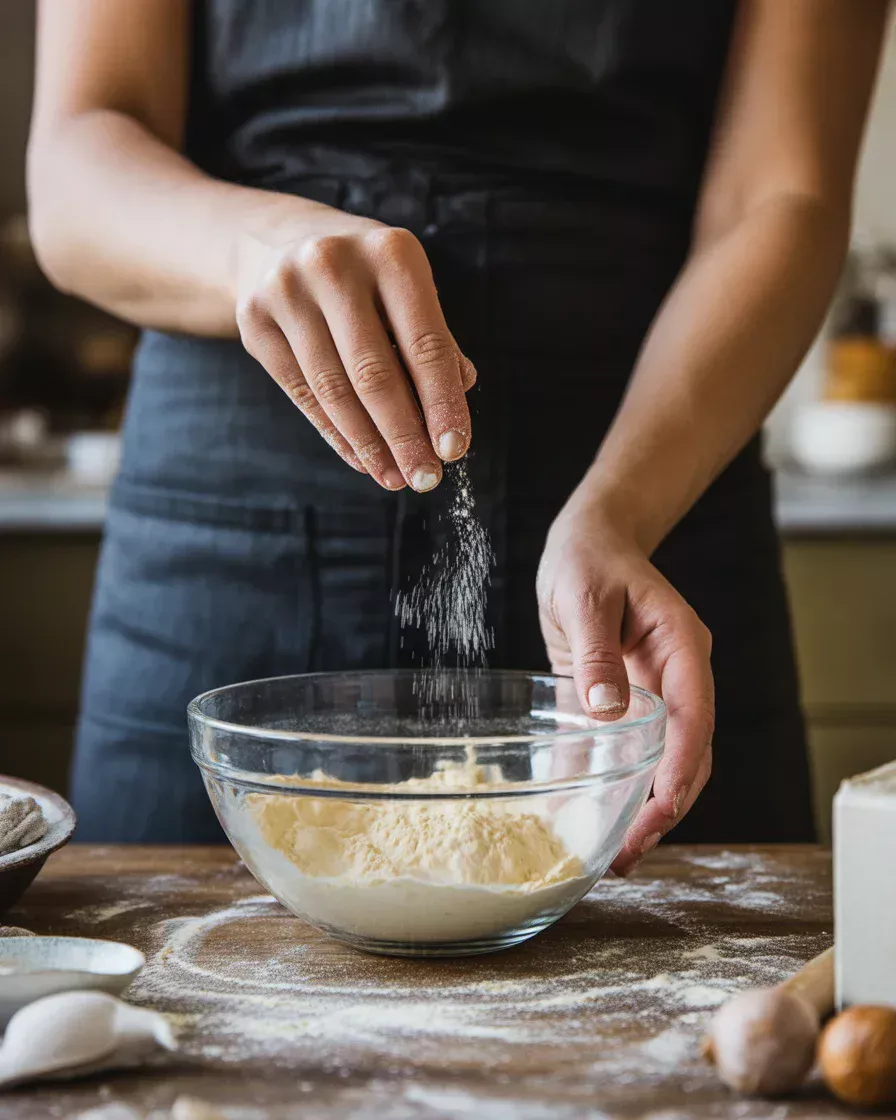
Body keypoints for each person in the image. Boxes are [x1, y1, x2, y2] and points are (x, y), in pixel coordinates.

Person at [28, 1, 886, 864]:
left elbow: (781, 193)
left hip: (651, 497)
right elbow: (76, 165)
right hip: (228, 512)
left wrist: (623, 510)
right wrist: (255, 247)